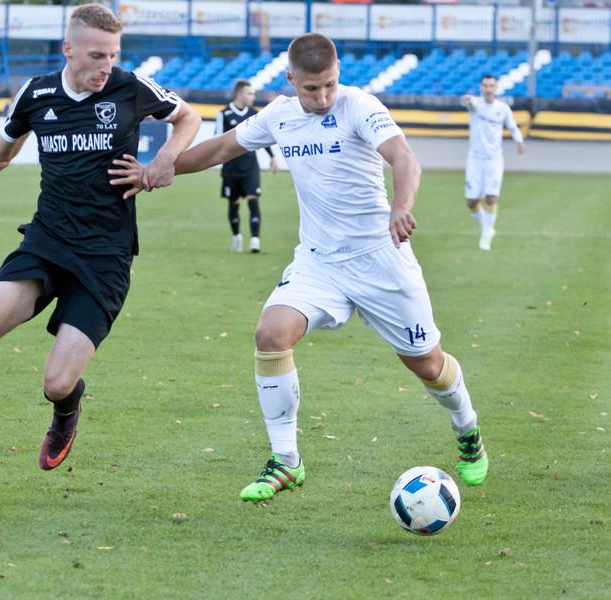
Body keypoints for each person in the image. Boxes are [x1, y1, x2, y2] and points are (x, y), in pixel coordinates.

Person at [111, 33, 488, 503]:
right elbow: (219, 149)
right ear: (291, 80)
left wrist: (401, 205)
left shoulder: (359, 106)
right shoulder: (280, 115)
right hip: (319, 262)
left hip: (381, 257)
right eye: (312, 89)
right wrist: (156, 169)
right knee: (271, 334)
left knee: (428, 365)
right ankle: (287, 461)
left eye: (329, 85)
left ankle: (466, 428)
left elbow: (403, 158)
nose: (323, 97)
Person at [0, 4, 200, 494]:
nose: (105, 66)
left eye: (112, 55)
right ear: (68, 50)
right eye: (95, 56)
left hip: (105, 258)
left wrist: (165, 159)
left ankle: (67, 411)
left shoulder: (131, 88)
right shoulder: (38, 92)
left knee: (57, 383)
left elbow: (187, 118)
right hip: (45, 242)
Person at [461, 74, 525, 251]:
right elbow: (468, 102)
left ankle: (486, 235)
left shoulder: (502, 108)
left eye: (491, 86)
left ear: (496, 88)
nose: (488, 89)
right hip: (475, 158)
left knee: (491, 197)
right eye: (485, 86)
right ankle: (487, 227)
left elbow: (512, 126)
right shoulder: (476, 105)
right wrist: (466, 100)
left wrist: (519, 141)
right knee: (471, 201)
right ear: (481, 88)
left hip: (494, 159)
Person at [215, 80, 278, 253]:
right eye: (250, 94)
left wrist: (272, 157)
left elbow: (262, 138)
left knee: (253, 199)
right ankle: (236, 236)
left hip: (250, 166)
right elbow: (217, 140)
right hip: (231, 167)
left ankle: (255, 240)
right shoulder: (225, 114)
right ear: (239, 94)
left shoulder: (254, 114)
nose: (253, 97)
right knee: (233, 204)